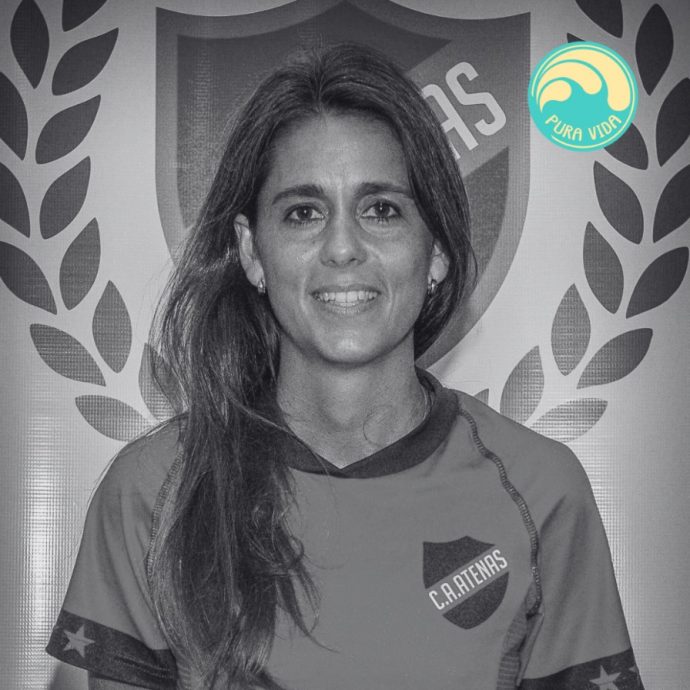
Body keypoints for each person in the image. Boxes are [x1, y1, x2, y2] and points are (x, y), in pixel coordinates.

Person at [46, 43, 643, 690]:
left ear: (437, 250)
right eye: (303, 213)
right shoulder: (153, 487)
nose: (342, 247)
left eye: (381, 209)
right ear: (252, 252)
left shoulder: (542, 488)